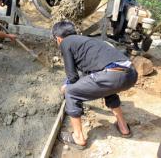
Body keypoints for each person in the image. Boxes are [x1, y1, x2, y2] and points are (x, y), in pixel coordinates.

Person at [52, 21, 138, 149]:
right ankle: (123, 127)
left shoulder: (65, 43)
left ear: (58, 39)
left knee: (71, 92)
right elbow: (87, 72)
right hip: (131, 73)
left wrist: (67, 86)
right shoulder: (87, 41)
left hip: (112, 74)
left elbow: (72, 76)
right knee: (107, 88)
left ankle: (78, 137)